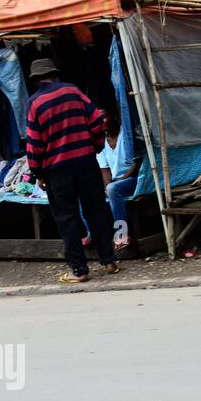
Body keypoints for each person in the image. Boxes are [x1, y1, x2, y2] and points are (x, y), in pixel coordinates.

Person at [24, 59, 121, 284]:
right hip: (85, 161)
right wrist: (95, 146)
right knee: (96, 210)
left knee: (66, 218)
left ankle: (79, 270)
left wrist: (37, 172)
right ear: (55, 74)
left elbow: (34, 143)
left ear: (37, 79)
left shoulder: (35, 102)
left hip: (56, 169)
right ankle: (109, 262)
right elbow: (98, 120)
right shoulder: (73, 90)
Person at [97, 109, 141, 252]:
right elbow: (105, 170)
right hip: (116, 183)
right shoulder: (101, 142)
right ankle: (91, 233)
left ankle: (122, 234)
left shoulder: (126, 135)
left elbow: (136, 163)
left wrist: (115, 184)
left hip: (135, 179)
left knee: (113, 189)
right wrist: (108, 186)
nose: (100, 121)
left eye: (103, 117)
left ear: (114, 117)